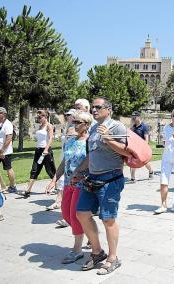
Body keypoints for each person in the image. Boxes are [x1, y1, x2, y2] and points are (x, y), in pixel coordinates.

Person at [72, 97, 130, 275]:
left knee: (108, 219)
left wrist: (109, 138)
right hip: (92, 177)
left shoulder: (117, 126)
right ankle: (97, 252)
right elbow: (92, 155)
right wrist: (78, 171)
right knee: (81, 213)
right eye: (93, 107)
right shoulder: (94, 128)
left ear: (109, 109)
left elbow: (126, 152)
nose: (94, 110)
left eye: (98, 107)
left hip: (110, 179)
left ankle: (113, 258)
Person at [45, 111, 92, 264]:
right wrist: (54, 179)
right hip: (67, 184)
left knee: (74, 215)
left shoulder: (90, 142)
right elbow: (64, 162)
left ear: (86, 124)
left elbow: (92, 163)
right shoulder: (70, 141)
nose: (74, 124)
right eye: (74, 122)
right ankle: (89, 232)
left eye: (78, 122)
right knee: (65, 215)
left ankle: (77, 250)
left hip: (81, 184)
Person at [19, 110, 56, 198]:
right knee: (34, 170)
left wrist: (46, 149)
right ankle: (27, 191)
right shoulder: (40, 126)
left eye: (40, 117)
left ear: (45, 116)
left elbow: (51, 139)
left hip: (46, 151)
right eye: (38, 117)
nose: (38, 119)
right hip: (38, 151)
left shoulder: (49, 126)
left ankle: (58, 188)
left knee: (50, 170)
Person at [0, 107, 16, 193]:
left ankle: (13, 186)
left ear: (3, 114)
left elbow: (9, 138)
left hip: (5, 151)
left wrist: (2, 151)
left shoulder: (8, 124)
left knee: (8, 168)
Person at [129, 111, 154, 183]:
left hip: (142, 147)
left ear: (139, 117)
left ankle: (151, 171)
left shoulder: (144, 127)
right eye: (132, 117)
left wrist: (144, 147)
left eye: (134, 117)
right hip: (134, 147)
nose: (133, 119)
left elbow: (146, 138)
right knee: (132, 161)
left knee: (144, 162)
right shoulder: (133, 127)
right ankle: (133, 178)